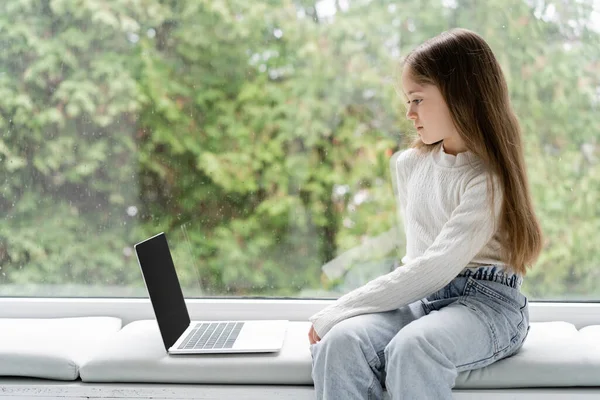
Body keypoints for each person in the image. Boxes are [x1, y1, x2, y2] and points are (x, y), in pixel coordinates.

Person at [307, 28, 543, 400]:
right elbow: (417, 262)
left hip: (489, 305)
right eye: (407, 100)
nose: (409, 113)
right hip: (423, 300)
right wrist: (341, 320)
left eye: (417, 99)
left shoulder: (488, 178)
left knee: (413, 348)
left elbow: (437, 264)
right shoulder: (409, 165)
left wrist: (341, 307)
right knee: (341, 343)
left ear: (460, 96)